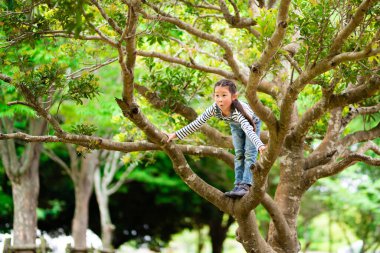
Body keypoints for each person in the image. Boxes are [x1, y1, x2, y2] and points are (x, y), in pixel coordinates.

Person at [166, 79, 266, 198]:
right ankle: (238, 185)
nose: (220, 99)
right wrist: (175, 134)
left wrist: (259, 145)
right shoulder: (214, 108)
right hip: (235, 125)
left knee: (249, 153)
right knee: (239, 153)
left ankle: (245, 185)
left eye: (224, 95)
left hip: (251, 123)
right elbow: (197, 123)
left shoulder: (238, 112)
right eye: (217, 95)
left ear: (234, 97)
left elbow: (248, 130)